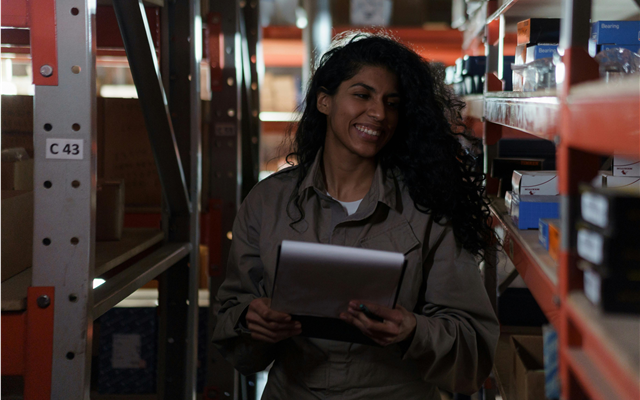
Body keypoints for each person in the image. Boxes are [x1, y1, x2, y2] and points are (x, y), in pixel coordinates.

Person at [212, 32, 499, 399]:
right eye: (362, 95)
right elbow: (229, 324)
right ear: (324, 101)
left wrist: (413, 330)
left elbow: (473, 351)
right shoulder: (267, 202)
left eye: (391, 103)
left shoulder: (428, 209)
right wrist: (251, 322)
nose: (379, 113)